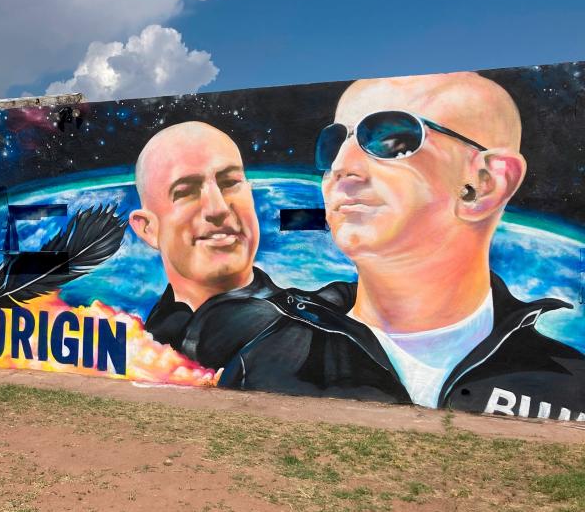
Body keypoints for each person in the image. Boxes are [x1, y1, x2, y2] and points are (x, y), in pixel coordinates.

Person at [220, 72, 585, 419]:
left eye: (390, 141)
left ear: (485, 183)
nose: (341, 166)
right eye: (335, 143)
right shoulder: (265, 360)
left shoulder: (568, 383)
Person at [129, 121, 285, 370]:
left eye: (230, 182)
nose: (218, 208)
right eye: (186, 192)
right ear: (148, 229)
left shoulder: (304, 340)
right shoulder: (159, 331)